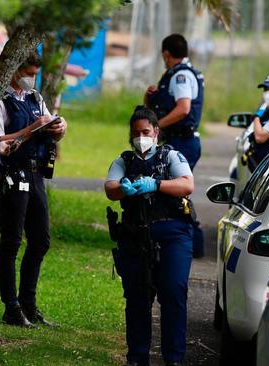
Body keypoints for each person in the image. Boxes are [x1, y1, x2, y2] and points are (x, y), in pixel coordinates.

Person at [105, 106, 194, 366]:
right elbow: (110, 187)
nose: (140, 137)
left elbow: (187, 184)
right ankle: (137, 357)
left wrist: (157, 184)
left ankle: (173, 359)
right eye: (135, 133)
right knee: (137, 296)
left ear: (156, 132)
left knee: (173, 291)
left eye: (145, 132)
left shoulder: (171, 157)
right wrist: (124, 188)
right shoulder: (125, 161)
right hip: (135, 236)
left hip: (173, 234)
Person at [0, 53, 67, 327]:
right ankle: (11, 307)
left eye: (35, 72)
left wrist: (59, 129)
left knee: (41, 240)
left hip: (36, 175)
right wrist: (30, 130)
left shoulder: (35, 97)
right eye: (28, 72)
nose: (31, 77)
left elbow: (48, 127)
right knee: (11, 241)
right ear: (14, 69)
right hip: (13, 174)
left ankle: (28, 304)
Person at [144, 33, 204, 259]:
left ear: (166, 54)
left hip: (183, 141)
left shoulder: (181, 76)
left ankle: (191, 243)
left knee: (177, 192)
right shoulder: (177, 74)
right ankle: (175, 240)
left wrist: (155, 126)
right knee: (171, 191)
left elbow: (183, 109)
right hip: (178, 140)